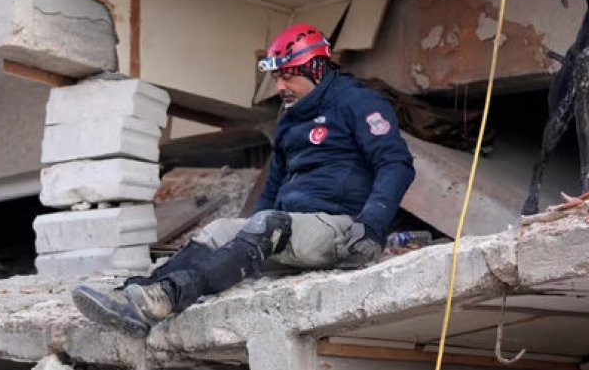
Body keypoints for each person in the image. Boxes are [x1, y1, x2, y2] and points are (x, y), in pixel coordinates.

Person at [72, 23, 416, 338]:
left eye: (287, 76)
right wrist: (243, 238)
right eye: (277, 77)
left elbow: (396, 164)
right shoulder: (290, 120)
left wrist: (371, 226)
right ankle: (133, 300)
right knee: (218, 231)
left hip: (340, 228)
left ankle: (167, 297)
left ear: (315, 68)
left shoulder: (358, 102)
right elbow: (272, 186)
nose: (279, 86)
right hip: (291, 230)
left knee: (267, 225)